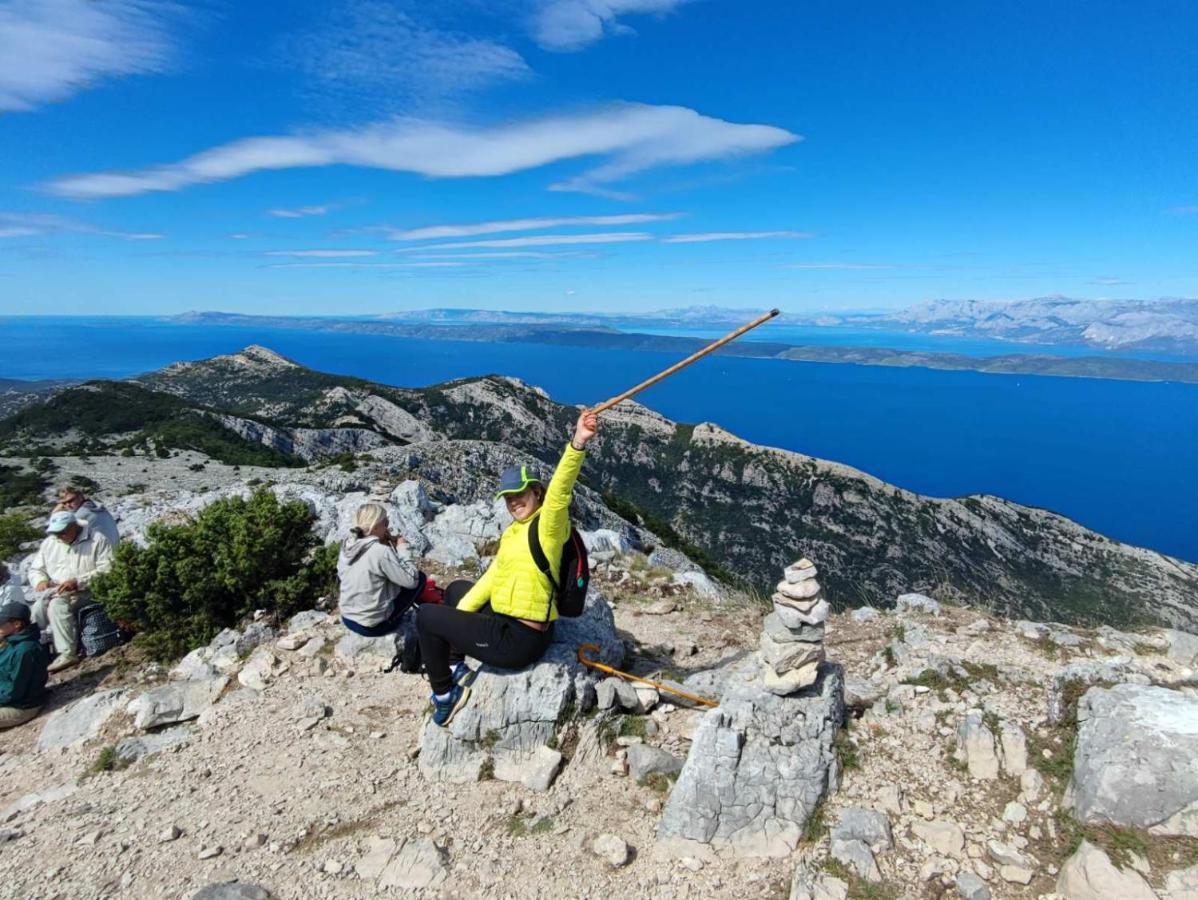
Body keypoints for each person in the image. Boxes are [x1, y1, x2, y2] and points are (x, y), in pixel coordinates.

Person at [416, 408, 599, 726]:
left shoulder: (548, 525)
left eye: (520, 494)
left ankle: (445, 694)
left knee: (426, 616)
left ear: (536, 493)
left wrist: (578, 442)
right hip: (507, 620)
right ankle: (457, 661)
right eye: (508, 497)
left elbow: (560, 491)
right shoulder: (513, 532)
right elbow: (492, 578)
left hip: (519, 641)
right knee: (459, 589)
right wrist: (462, 616)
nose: (514, 501)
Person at [28, 509, 115, 673]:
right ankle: (37, 648)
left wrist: (78, 582)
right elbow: (35, 569)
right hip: (57, 589)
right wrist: (40, 580)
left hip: (88, 590)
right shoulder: (50, 543)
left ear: (74, 526)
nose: (59, 536)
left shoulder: (97, 540)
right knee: (38, 608)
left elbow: (108, 570)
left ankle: (67, 653)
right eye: (56, 533)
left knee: (57, 606)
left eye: (63, 532)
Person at [337, 503, 426, 637]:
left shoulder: (348, 545)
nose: (388, 527)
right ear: (374, 526)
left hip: (348, 618)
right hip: (372, 626)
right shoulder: (380, 552)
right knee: (420, 578)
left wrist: (383, 542)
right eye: (385, 522)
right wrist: (402, 548)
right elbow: (411, 580)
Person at [0, 601, 49, 729]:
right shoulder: (11, 643)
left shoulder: (25, 651)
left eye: (1, 623)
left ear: (17, 624)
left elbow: (14, 692)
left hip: (21, 706)